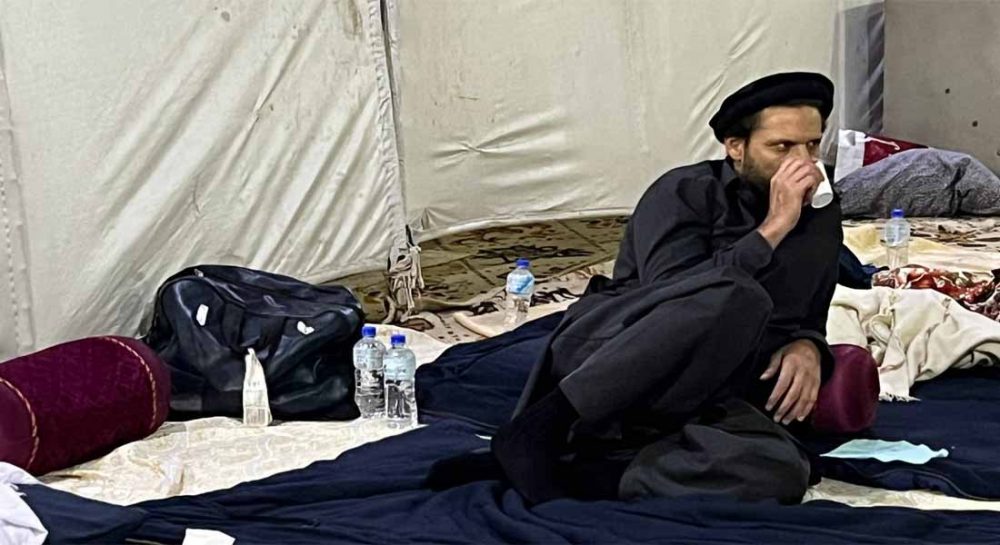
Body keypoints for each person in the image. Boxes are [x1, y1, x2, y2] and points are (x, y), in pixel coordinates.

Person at [429, 72, 843, 505]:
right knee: (739, 296)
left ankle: (586, 473)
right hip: (620, 356)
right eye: (782, 147)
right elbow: (675, 296)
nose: (803, 163)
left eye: (812, 146)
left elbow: (812, 309)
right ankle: (542, 428)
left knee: (782, 470)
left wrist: (808, 345)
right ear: (736, 147)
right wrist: (773, 228)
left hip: (711, 389)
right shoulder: (682, 193)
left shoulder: (821, 211)